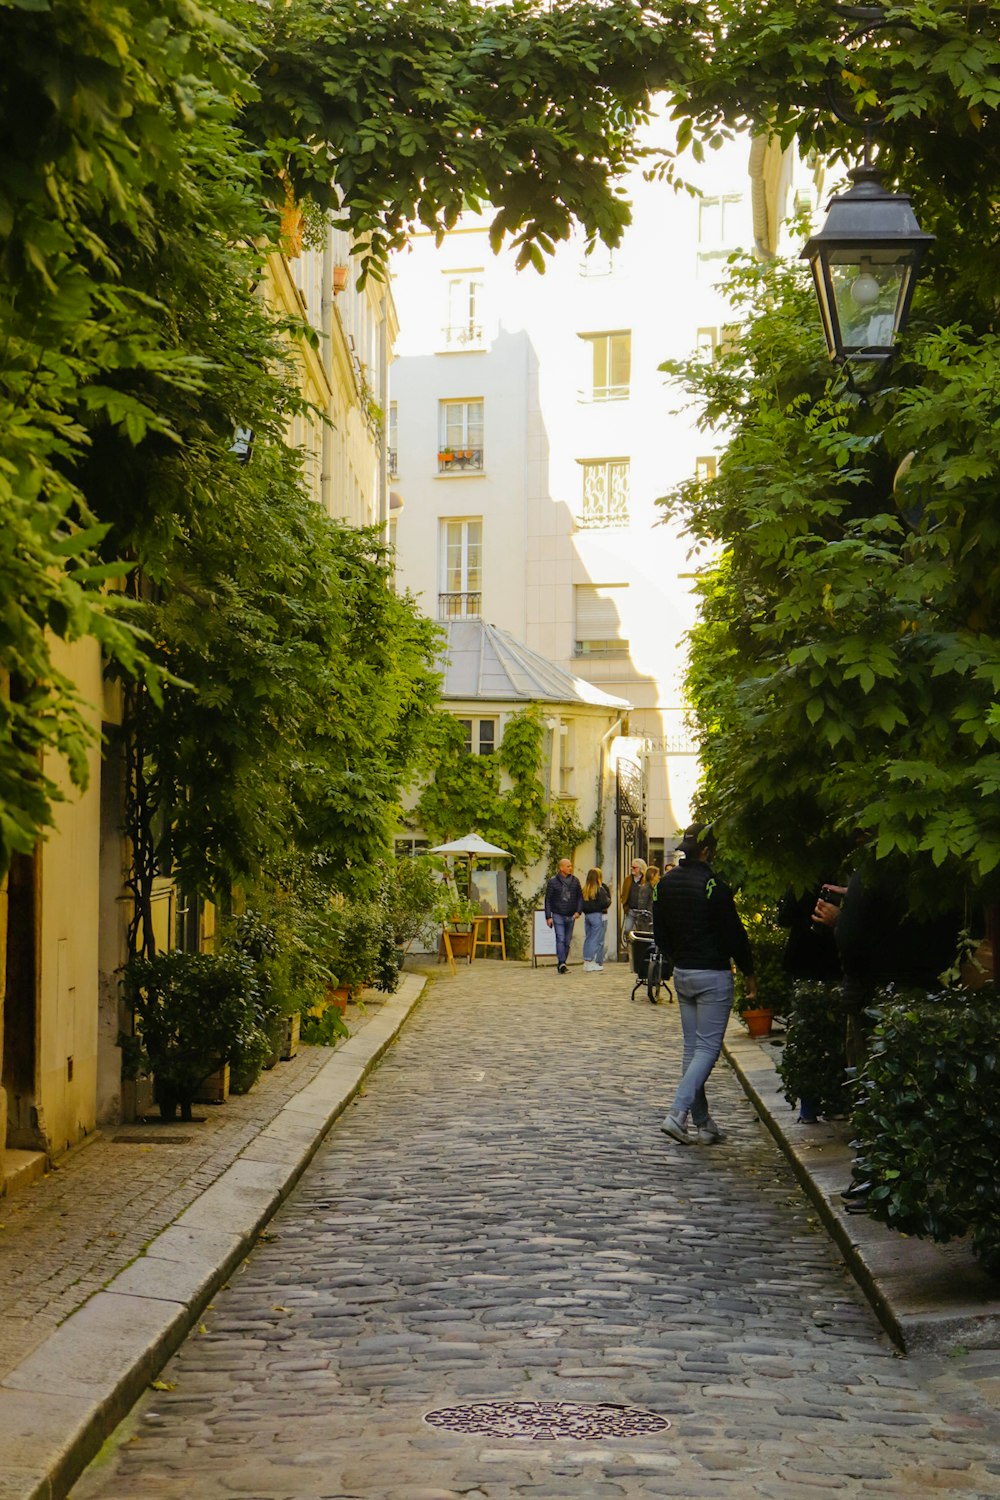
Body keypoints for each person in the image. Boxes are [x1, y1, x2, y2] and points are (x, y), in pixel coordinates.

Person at [653, 821, 756, 1145]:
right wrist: (749, 971)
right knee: (708, 1049)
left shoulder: (665, 884)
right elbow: (734, 935)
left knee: (692, 1049)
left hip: (684, 973)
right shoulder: (714, 887)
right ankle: (677, 1114)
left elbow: (660, 933)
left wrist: (676, 957)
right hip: (712, 974)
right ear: (708, 851)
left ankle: (703, 1122)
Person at [544, 857, 583, 973]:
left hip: (571, 915)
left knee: (567, 941)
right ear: (561, 868)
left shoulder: (575, 881)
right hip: (558, 914)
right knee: (560, 938)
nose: (570, 868)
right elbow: (548, 900)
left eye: (571, 866)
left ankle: (562, 962)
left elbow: (580, 897)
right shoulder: (553, 882)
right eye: (568, 866)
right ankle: (562, 963)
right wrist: (548, 916)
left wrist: (578, 911)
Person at [581, 867, 611, 972]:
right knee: (595, 939)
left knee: (588, 938)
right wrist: (608, 900)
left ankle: (586, 961)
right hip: (596, 915)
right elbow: (605, 902)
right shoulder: (599, 889)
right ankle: (591, 962)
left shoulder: (585, 889)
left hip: (587, 916)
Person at [620, 857, 653, 942]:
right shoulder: (628, 879)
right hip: (631, 910)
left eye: (634, 867)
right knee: (627, 930)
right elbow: (623, 893)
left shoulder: (646, 880)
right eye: (631, 867)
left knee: (641, 932)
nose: (632, 869)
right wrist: (625, 906)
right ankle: (629, 947)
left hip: (642, 911)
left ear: (640, 869)